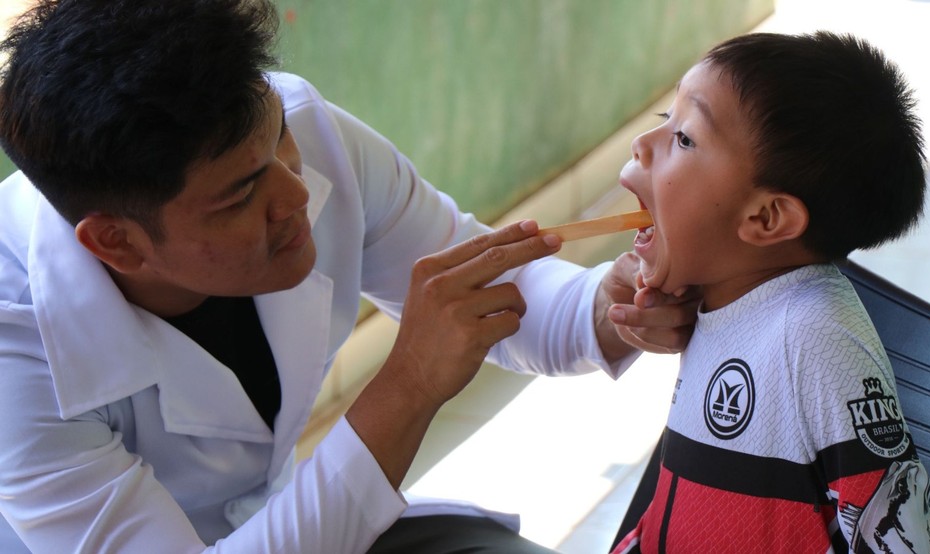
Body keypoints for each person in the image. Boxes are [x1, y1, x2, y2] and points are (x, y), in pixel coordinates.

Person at [0, 1, 699, 552]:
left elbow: (493, 292)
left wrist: (609, 305)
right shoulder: (15, 347)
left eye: (279, 137)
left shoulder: (305, 130)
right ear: (116, 242)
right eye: (241, 195)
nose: (298, 192)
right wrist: (410, 383)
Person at [610, 31, 930, 553]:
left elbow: (901, 532)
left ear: (766, 218)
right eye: (665, 121)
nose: (642, 145)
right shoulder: (722, 305)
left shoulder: (816, 336)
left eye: (685, 138)